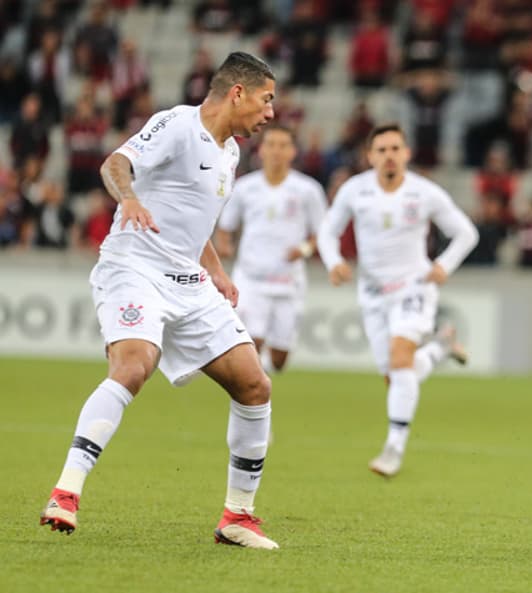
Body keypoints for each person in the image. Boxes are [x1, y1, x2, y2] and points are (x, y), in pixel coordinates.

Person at [39, 52, 281, 549]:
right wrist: (127, 197)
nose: (271, 113)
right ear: (238, 93)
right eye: (266, 99)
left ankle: (238, 516)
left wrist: (215, 270)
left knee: (255, 385)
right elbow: (116, 163)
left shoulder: (231, 152)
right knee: (133, 367)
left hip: (189, 281)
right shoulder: (176, 124)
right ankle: (66, 492)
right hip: (133, 267)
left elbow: (194, 220)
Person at [317, 124, 478, 478]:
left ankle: (394, 448)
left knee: (400, 358)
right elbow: (327, 231)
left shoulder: (424, 193)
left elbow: (466, 232)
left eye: (395, 148)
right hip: (373, 293)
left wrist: (444, 265)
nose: (389, 155)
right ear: (370, 156)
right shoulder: (355, 190)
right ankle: (440, 347)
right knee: (397, 376)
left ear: (406, 153)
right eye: (382, 149)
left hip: (414, 288)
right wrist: (334, 262)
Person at [215, 124, 327, 373]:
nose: (277, 151)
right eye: (271, 145)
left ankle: (261, 373)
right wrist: (225, 245)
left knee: (279, 359)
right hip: (251, 278)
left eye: (283, 145)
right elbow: (225, 227)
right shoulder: (244, 187)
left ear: (292, 152)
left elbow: (323, 234)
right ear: (261, 150)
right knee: (250, 342)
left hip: (289, 281)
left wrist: (305, 250)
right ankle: (253, 392)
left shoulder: (308, 190)